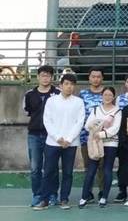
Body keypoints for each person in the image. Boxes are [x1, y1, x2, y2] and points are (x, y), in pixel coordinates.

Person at [32, 74, 85, 211]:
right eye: (66, 84)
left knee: (68, 173)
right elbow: (47, 120)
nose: (69, 87)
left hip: (70, 143)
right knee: (49, 172)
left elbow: (79, 122)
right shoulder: (51, 101)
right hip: (52, 142)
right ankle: (44, 200)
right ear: (60, 86)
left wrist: (69, 139)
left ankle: (64, 199)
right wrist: (58, 138)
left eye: (72, 84)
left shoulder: (78, 102)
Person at [23, 65, 60, 207]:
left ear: (52, 77)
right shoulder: (29, 94)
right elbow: (27, 112)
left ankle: (52, 194)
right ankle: (37, 195)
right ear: (38, 77)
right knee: (35, 168)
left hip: (52, 136)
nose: (45, 78)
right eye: (43, 75)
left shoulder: (58, 93)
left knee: (52, 167)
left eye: (48, 75)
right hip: (34, 135)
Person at [79, 86, 121, 208]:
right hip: (96, 143)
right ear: (101, 96)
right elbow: (88, 125)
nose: (107, 97)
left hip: (111, 143)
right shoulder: (96, 109)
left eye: (110, 95)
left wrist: (100, 133)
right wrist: (101, 125)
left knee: (107, 169)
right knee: (91, 170)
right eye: (105, 95)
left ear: (113, 97)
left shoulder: (117, 111)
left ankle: (104, 197)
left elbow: (115, 129)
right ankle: (84, 197)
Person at [78, 67, 105, 201]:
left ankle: (102, 192)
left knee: (102, 167)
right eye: (93, 76)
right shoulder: (82, 94)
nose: (96, 79)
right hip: (86, 137)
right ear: (89, 78)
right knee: (88, 166)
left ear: (102, 78)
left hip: (103, 137)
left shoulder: (107, 93)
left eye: (98, 76)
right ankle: (87, 193)